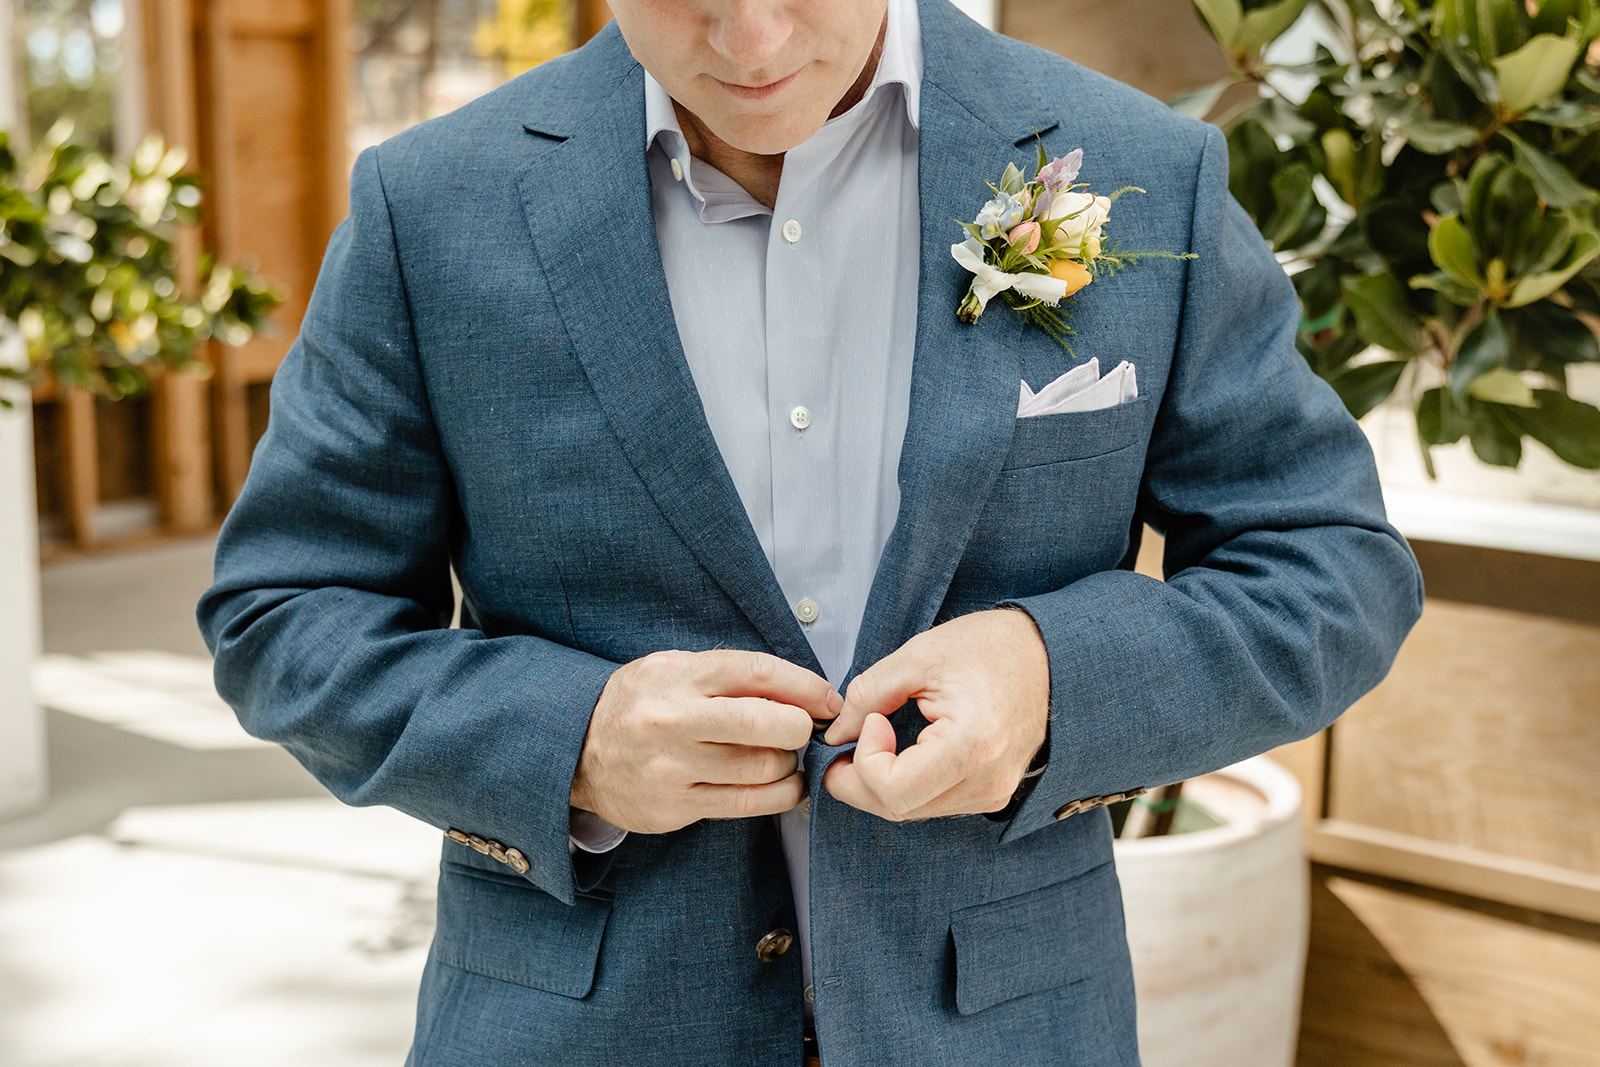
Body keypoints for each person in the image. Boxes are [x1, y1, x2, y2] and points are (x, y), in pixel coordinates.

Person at [197, 0, 1424, 1062]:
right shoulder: (428, 209)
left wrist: (1051, 679)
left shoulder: (1142, 165)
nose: (750, 38)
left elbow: (1330, 566)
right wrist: (570, 740)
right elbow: (285, 612)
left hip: (1005, 1027)